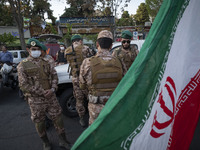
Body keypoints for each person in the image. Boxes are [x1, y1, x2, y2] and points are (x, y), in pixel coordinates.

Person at [17, 38, 71, 150]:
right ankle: (45, 142)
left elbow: (54, 76)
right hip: (36, 100)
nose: (36, 51)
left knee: (58, 119)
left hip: (50, 97)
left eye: (38, 49)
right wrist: (42, 92)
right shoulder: (22, 65)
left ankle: (63, 140)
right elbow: (23, 85)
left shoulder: (46, 62)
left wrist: (52, 89)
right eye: (33, 49)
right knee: (39, 122)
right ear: (28, 50)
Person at [79, 30, 127, 125]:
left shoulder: (87, 62)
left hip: (95, 107)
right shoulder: (119, 62)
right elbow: (125, 83)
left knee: (95, 134)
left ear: (97, 44)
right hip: (114, 105)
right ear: (111, 46)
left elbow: (82, 86)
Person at [65, 34, 92, 127]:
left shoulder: (67, 50)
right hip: (85, 78)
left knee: (79, 99)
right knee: (90, 98)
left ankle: (81, 119)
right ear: (80, 41)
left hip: (75, 78)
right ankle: (92, 117)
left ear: (72, 41)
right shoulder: (85, 48)